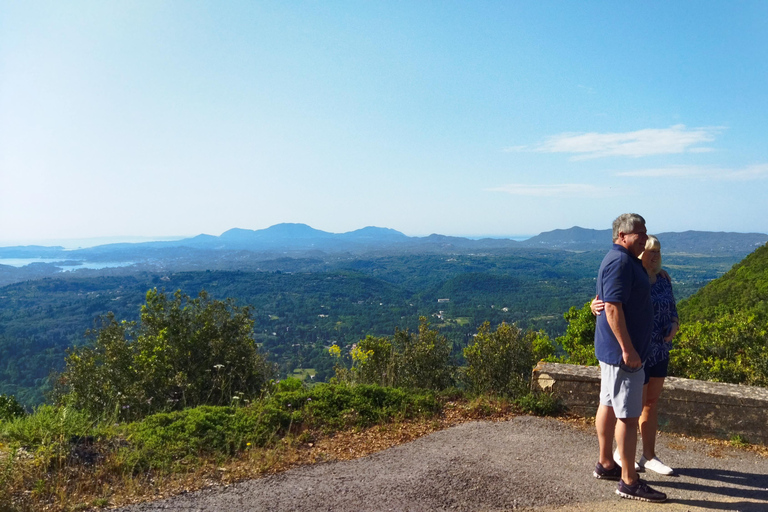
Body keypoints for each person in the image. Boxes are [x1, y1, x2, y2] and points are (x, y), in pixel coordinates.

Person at [591, 213, 667, 503]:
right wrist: (628, 349)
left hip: (614, 353)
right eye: (639, 232)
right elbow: (612, 306)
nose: (645, 237)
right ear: (622, 235)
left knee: (609, 404)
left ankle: (606, 464)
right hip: (624, 356)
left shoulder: (622, 260)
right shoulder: (621, 262)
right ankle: (629, 480)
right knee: (628, 413)